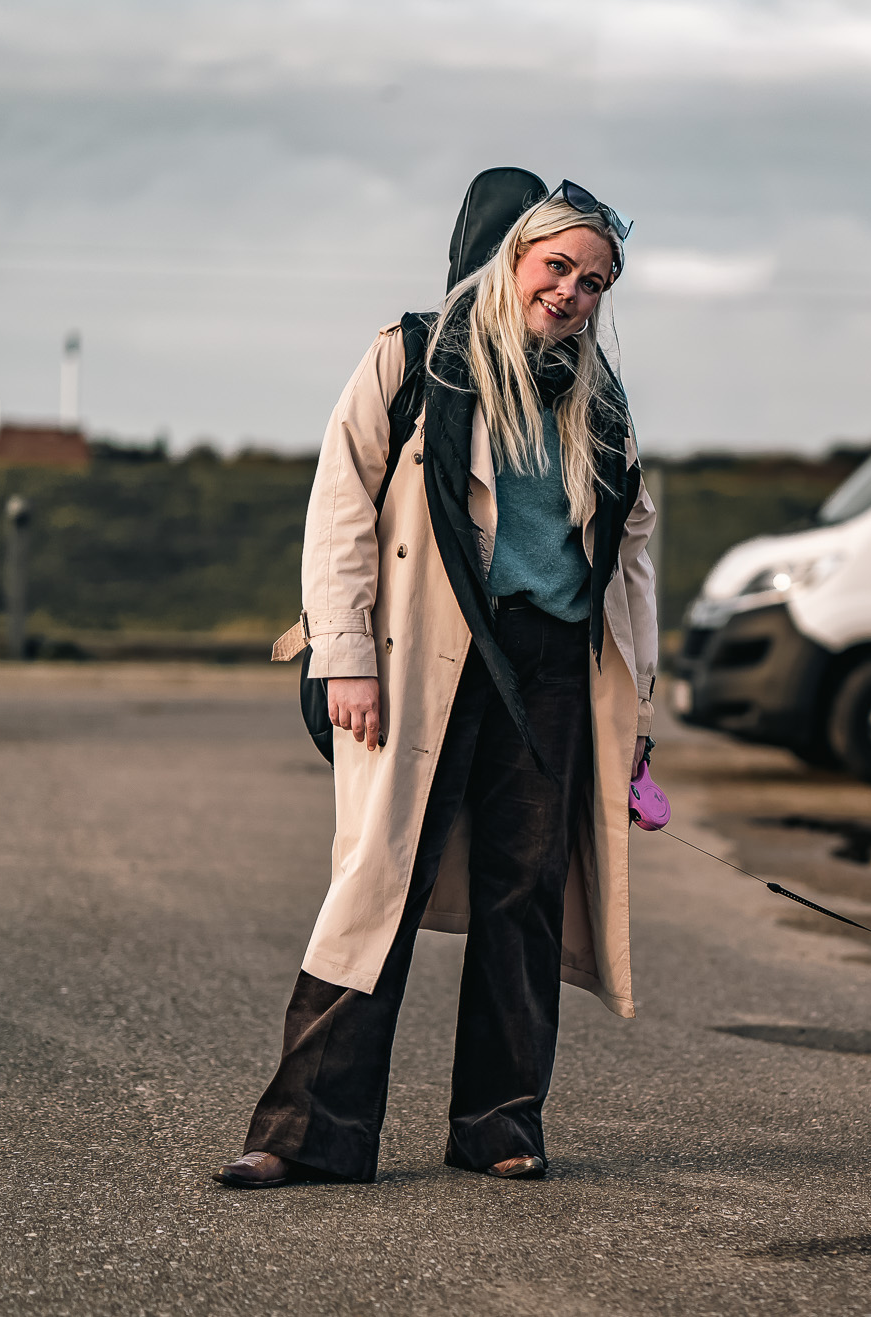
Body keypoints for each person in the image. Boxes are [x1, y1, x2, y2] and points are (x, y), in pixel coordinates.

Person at [215, 172, 656, 1187]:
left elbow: (630, 561)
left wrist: (636, 713)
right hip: (424, 652)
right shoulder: (414, 354)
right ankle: (303, 1135)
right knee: (379, 882)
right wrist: (345, 655)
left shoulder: (603, 402)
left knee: (527, 897)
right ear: (515, 258)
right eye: (559, 268)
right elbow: (340, 502)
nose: (572, 294)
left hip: (553, 669)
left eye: (594, 282)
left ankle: (499, 1126)